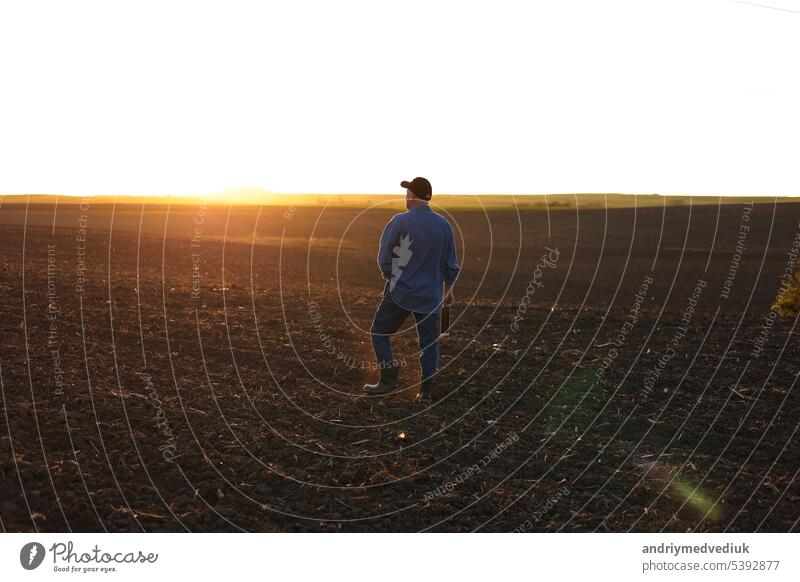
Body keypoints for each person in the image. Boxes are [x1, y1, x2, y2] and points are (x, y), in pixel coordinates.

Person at [363, 177, 460, 403]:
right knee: (429, 343)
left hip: (401, 292)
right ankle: (425, 391)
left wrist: (390, 277)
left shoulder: (400, 221)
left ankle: (387, 379)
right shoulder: (444, 225)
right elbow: (450, 264)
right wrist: (449, 289)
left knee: (379, 332)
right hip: (431, 295)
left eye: (407, 192)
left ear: (411, 196)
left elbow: (385, 258)